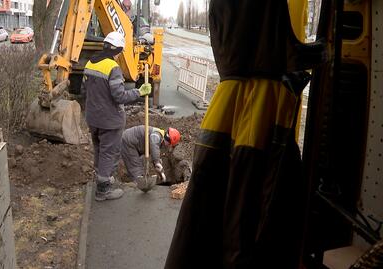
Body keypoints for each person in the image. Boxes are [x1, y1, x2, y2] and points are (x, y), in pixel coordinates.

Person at [165, 0, 326, 268]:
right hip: (260, 114)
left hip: (225, 111)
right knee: (246, 219)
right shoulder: (261, 93)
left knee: (208, 215)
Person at [81, 31, 152, 202]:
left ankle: (101, 179)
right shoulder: (113, 68)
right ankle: (103, 190)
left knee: (99, 149)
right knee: (109, 153)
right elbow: (120, 96)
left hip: (93, 118)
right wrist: (139, 91)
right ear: (117, 49)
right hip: (110, 121)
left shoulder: (91, 63)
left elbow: (83, 91)